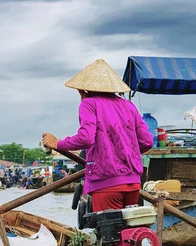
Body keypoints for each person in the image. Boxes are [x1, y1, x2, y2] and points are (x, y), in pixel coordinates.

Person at [42, 59, 152, 212]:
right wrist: (123, 153)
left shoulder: (89, 104)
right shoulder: (129, 106)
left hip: (106, 182)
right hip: (132, 182)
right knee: (129, 231)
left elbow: (86, 138)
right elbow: (147, 141)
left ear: (83, 89)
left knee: (108, 231)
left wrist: (58, 143)